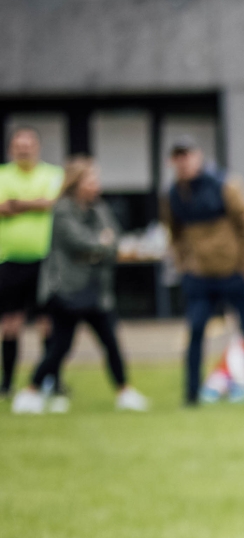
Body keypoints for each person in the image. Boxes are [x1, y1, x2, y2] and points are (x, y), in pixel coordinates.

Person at [16, 156, 147, 413]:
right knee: (60, 346)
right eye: (90, 179)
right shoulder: (63, 210)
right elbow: (79, 243)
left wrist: (101, 245)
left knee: (110, 342)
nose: (96, 184)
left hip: (96, 290)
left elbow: (114, 239)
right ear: (77, 182)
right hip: (68, 290)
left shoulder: (99, 208)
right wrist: (101, 244)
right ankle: (30, 391)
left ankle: (124, 391)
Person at [161, 137, 244, 407]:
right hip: (199, 275)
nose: (184, 162)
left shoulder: (225, 185)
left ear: (198, 156)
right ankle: (191, 395)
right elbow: (173, 232)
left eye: (187, 155)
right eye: (178, 157)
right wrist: (184, 264)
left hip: (232, 272)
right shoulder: (174, 193)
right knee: (195, 332)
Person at [1, 126, 65, 404]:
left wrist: (16, 204)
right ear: (11, 149)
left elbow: (52, 203)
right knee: (10, 323)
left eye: (28, 146)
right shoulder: (2, 175)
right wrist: (35, 203)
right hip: (9, 261)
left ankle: (51, 381)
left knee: (47, 323)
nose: (24, 151)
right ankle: (7, 383)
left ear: (37, 148)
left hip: (45, 261)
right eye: (19, 146)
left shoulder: (53, 175)